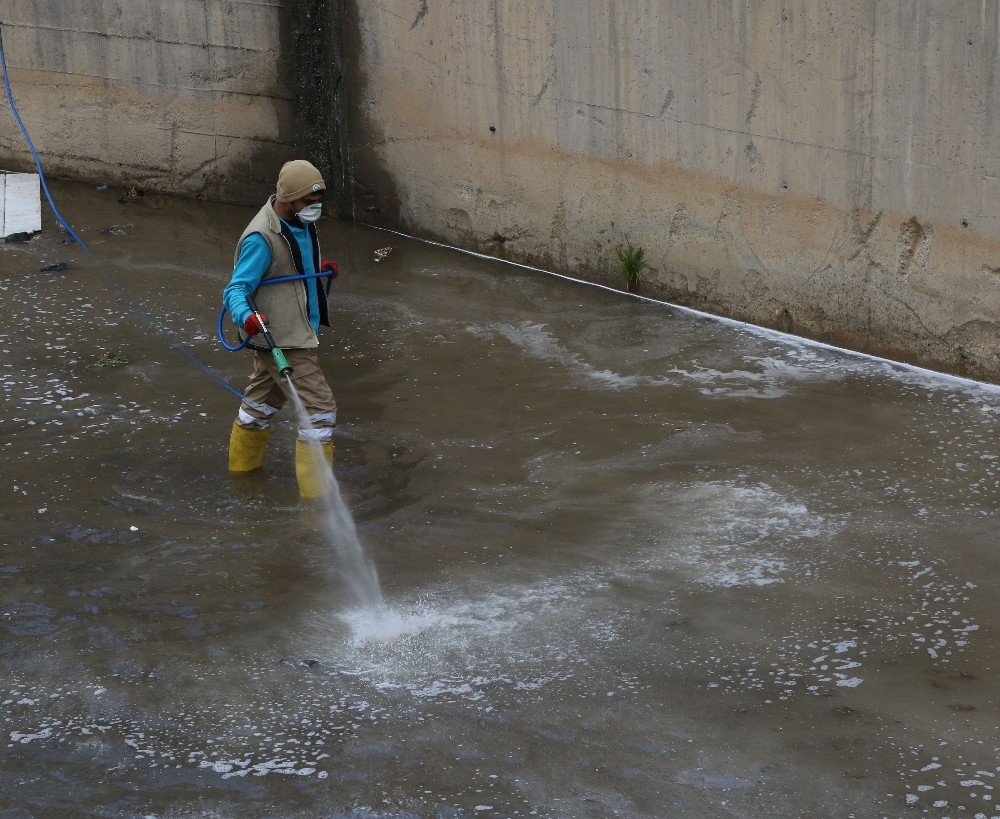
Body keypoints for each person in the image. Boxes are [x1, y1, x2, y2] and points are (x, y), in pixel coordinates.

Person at [222, 159, 340, 498]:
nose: (314, 207)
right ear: (287, 198)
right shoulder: (261, 237)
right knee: (319, 413)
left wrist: (316, 268)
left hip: (291, 331)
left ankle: (242, 480)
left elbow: (287, 263)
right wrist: (246, 317)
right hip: (283, 340)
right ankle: (318, 502)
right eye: (308, 201)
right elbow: (236, 289)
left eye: (318, 200)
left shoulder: (299, 222)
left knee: (258, 408)